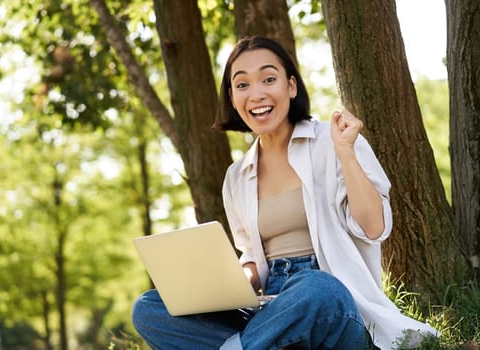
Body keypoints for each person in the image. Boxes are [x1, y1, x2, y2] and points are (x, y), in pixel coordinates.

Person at [132, 35, 439, 350]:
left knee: (318, 288)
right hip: (269, 310)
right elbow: (251, 255)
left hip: (332, 305)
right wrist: (233, 283)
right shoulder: (237, 176)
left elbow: (375, 228)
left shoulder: (334, 141)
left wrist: (346, 152)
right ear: (232, 98)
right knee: (149, 309)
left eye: (268, 79)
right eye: (242, 85)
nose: (257, 94)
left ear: (291, 87)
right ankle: (261, 343)